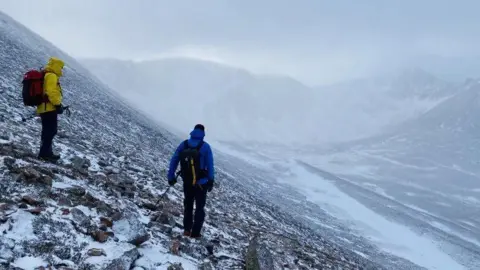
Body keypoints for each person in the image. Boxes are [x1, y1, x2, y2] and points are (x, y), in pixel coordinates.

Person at [168, 124, 215, 238]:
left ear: (193, 132)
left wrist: (171, 176)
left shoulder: (184, 144)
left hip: (187, 181)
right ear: (203, 133)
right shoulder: (205, 147)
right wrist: (211, 180)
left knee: (188, 205)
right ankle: (195, 233)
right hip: (201, 183)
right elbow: (210, 165)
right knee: (199, 208)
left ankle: (186, 230)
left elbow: (174, 160)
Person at [37, 57, 65, 162]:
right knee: (51, 131)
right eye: (61, 67)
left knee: (47, 131)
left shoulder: (46, 74)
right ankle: (44, 154)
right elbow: (51, 92)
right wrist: (57, 105)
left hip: (44, 107)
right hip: (49, 108)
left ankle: (46, 152)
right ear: (56, 66)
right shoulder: (52, 76)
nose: (62, 69)